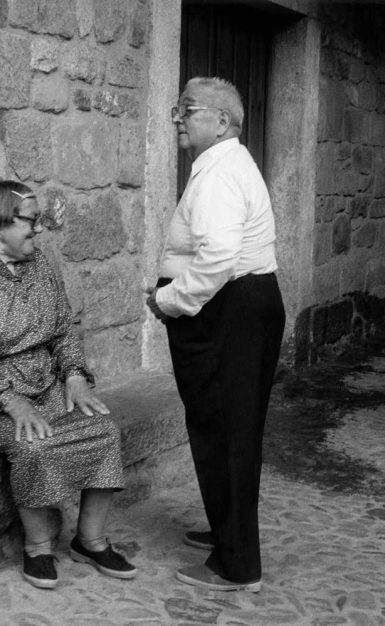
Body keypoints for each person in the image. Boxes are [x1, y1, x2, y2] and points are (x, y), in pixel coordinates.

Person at [0, 180, 136, 589]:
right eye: (32, 220)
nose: (40, 229)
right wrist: (12, 403)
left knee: (103, 429)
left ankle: (90, 540)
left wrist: (76, 377)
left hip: (43, 384)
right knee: (32, 443)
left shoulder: (38, 263)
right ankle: (38, 549)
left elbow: (63, 329)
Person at [145, 76, 285, 593]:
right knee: (228, 429)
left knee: (224, 431)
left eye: (188, 109)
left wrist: (168, 300)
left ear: (222, 121)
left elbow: (219, 258)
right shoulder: (225, 165)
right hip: (239, 310)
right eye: (177, 107)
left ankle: (236, 565)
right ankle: (229, 534)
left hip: (228, 312)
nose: (178, 117)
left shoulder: (220, 174)